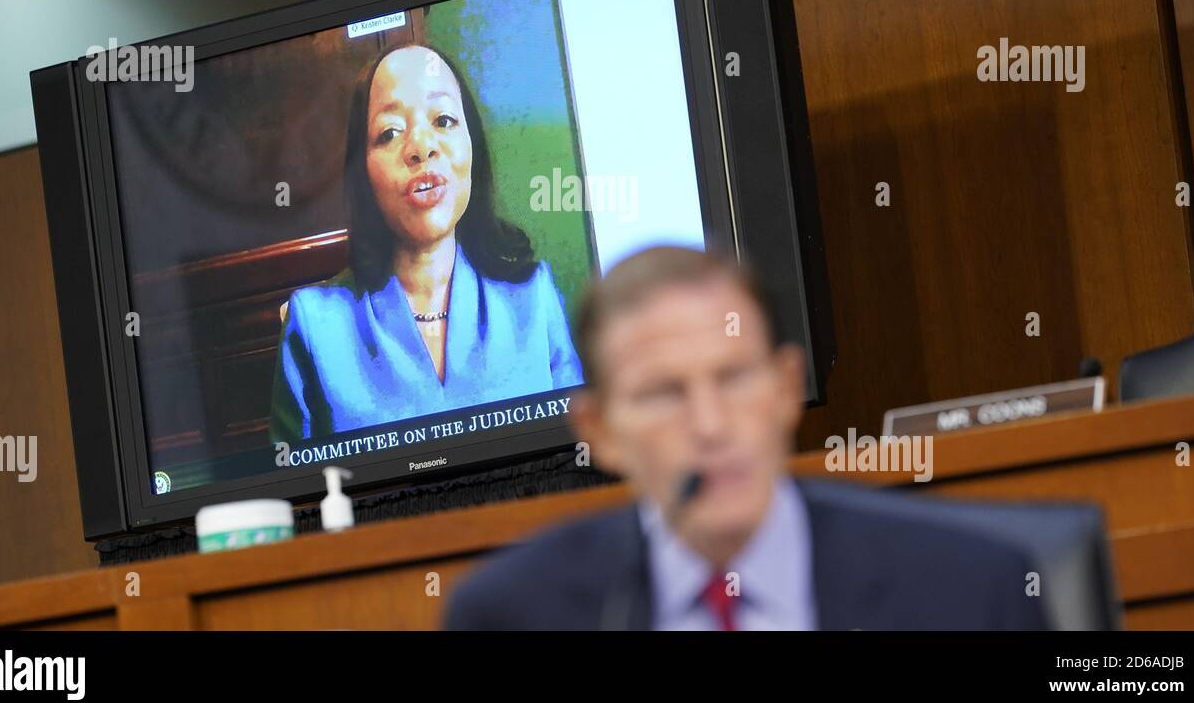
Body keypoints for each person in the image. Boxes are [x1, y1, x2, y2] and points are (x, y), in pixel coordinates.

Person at [443, 245, 1050, 630]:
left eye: (733, 380)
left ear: (786, 389)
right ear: (600, 432)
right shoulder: (511, 616)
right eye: (663, 394)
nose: (710, 426)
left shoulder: (968, 591)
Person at [270, 43, 583, 443]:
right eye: (389, 132)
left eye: (445, 120)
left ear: (474, 150)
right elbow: (299, 498)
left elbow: (579, 469)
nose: (421, 147)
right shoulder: (313, 325)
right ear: (362, 173)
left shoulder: (534, 296)